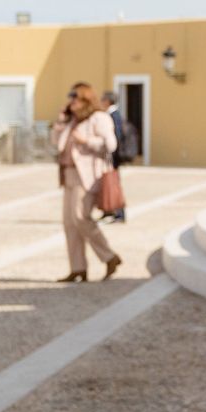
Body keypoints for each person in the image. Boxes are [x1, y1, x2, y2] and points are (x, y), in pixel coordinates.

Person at [51, 83, 122, 283]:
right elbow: (57, 143)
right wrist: (60, 123)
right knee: (69, 223)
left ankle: (109, 256)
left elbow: (110, 144)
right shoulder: (72, 121)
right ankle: (78, 268)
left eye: (75, 98)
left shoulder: (98, 118)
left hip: (88, 176)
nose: (71, 102)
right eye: (70, 98)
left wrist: (86, 141)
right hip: (69, 174)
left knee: (80, 217)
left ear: (85, 100)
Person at [98, 91, 128, 224]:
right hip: (110, 157)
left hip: (112, 157)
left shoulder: (113, 115)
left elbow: (116, 137)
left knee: (114, 184)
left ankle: (119, 214)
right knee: (107, 183)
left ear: (107, 101)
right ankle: (108, 211)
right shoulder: (112, 114)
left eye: (102, 99)